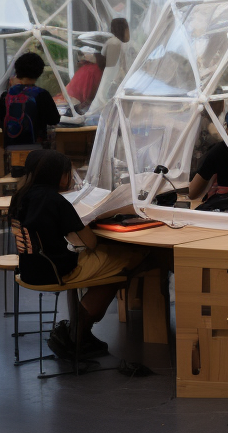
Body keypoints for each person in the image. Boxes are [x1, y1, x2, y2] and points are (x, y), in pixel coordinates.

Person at [10, 150, 143, 360]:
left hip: (29, 268)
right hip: (58, 271)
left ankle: (78, 332)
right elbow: (89, 243)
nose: (71, 178)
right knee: (125, 264)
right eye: (67, 173)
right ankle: (78, 332)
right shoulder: (56, 202)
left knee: (108, 265)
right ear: (57, 176)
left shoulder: (21, 197)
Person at [0, 52, 61, 148]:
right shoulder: (42, 95)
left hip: (9, 150)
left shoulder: (6, 96)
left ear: (17, 71)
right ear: (40, 72)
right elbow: (54, 120)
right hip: (37, 151)